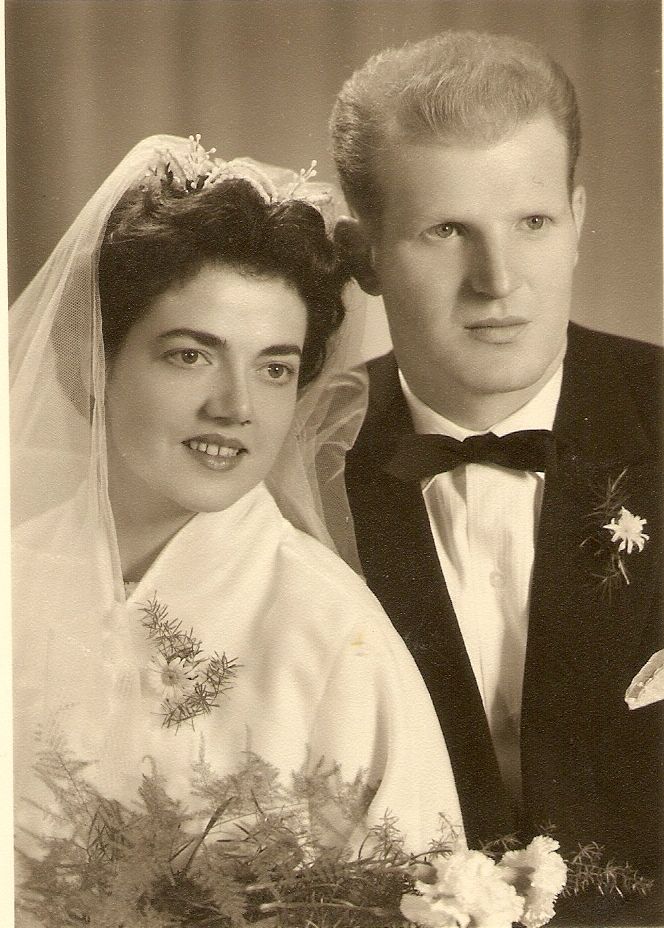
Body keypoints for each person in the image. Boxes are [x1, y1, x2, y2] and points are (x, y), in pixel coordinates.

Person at [10, 134, 464, 907]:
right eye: (191, 355)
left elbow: (422, 901)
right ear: (93, 358)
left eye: (275, 367)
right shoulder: (13, 573)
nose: (238, 407)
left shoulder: (329, 630)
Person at [329, 30, 663, 920]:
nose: (498, 280)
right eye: (446, 231)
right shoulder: (294, 468)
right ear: (363, 256)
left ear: (578, 221)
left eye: (533, 223)